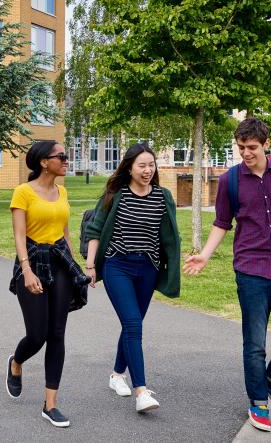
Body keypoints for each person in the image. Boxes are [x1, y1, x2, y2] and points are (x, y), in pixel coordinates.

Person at [183, 118, 271, 433]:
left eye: (252, 147)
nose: (246, 153)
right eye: (241, 148)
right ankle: (258, 401)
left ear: (266, 144)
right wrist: (205, 254)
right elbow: (222, 222)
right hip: (251, 271)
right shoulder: (230, 181)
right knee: (254, 343)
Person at [82, 143, 181, 414]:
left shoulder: (163, 196)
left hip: (147, 268)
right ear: (129, 167)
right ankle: (141, 391)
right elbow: (95, 229)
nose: (148, 170)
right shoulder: (116, 194)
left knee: (131, 325)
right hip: (118, 266)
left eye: (151, 165)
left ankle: (116, 375)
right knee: (134, 324)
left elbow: (170, 236)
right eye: (142, 165)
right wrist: (91, 266)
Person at [5, 140, 89, 428]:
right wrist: (26, 271)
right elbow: (18, 236)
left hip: (60, 264)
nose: (67, 160)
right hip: (33, 263)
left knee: (57, 334)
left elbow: (65, 234)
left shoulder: (62, 191)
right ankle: (16, 362)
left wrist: (77, 268)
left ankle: (50, 404)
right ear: (44, 161)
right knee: (37, 334)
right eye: (62, 156)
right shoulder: (23, 192)